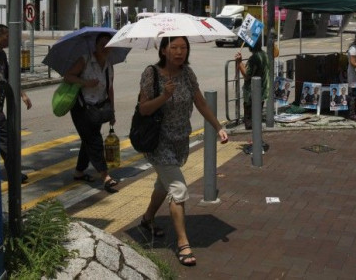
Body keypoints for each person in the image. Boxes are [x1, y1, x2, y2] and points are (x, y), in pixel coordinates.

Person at [137, 36, 228, 267]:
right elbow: (144, 109)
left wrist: (218, 127)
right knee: (178, 189)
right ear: (164, 50)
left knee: (163, 183)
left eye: (183, 48)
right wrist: (164, 96)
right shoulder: (152, 74)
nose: (179, 52)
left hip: (180, 140)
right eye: (174, 47)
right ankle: (183, 243)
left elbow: (201, 103)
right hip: (158, 142)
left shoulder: (187, 74)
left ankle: (147, 219)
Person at [63, 32, 119, 192]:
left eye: (108, 45)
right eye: (102, 44)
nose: (105, 48)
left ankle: (79, 172)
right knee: (94, 140)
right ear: (95, 45)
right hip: (81, 108)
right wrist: (84, 82)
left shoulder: (109, 65)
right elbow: (68, 76)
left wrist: (112, 112)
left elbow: (110, 88)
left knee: (87, 140)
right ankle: (105, 176)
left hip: (98, 109)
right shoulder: (85, 60)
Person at [0, 25, 31, 184]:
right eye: (6, 37)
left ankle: (13, 173)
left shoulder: (1, 55)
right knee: (4, 143)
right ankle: (13, 174)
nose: (9, 40)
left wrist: (22, 94)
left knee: (6, 143)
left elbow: (9, 77)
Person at [235, 36, 270, 130]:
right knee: (257, 118)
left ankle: (254, 142)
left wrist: (239, 62)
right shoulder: (264, 54)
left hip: (251, 93)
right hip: (262, 91)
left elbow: (246, 75)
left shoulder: (254, 58)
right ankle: (257, 141)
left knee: (250, 122)